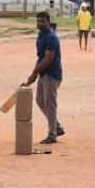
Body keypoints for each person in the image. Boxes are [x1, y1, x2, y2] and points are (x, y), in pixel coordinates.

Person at [23, 11, 63, 144]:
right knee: (40, 100)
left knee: (50, 104)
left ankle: (52, 135)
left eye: (43, 21)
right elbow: (40, 58)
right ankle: (56, 126)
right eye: (38, 21)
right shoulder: (41, 36)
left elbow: (48, 59)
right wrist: (33, 76)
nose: (40, 23)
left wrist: (34, 73)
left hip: (52, 74)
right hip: (43, 73)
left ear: (48, 21)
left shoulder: (51, 37)